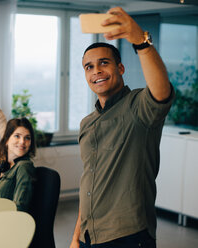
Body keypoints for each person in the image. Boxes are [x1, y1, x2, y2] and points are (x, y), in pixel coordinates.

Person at [70, 7, 174, 248]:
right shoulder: (87, 123)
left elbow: (161, 91)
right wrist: (76, 236)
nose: (96, 71)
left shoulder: (138, 107)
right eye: (89, 67)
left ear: (120, 68)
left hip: (128, 235)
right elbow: (89, 184)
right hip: (89, 235)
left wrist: (140, 41)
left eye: (103, 63)